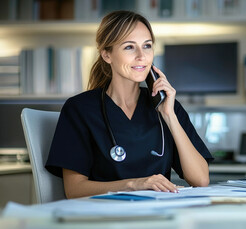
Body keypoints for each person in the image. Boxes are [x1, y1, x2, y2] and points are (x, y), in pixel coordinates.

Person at [46, 10, 213, 199]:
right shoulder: (80, 109)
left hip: (158, 217)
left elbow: (200, 180)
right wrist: (135, 184)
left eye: (147, 46)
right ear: (107, 55)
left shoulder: (167, 106)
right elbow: (74, 190)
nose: (142, 56)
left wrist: (170, 116)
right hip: (104, 218)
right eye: (129, 47)